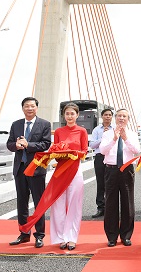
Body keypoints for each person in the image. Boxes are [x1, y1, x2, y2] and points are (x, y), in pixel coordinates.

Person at [7, 97, 51, 248]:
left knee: (39, 203)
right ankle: (24, 233)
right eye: (26, 106)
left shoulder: (44, 124)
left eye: (32, 106)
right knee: (22, 202)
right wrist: (17, 146)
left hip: (36, 169)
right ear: (22, 108)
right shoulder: (16, 124)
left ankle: (39, 235)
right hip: (20, 169)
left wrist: (29, 145)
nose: (29, 108)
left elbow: (46, 144)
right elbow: (9, 144)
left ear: (37, 108)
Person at [100, 109, 140, 247]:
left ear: (128, 119)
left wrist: (125, 139)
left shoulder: (132, 134)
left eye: (124, 116)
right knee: (110, 203)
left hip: (127, 170)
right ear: (115, 118)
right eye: (119, 116)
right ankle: (111, 236)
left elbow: (136, 150)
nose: (121, 118)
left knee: (127, 203)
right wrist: (114, 139)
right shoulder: (107, 134)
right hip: (111, 170)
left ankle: (126, 235)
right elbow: (102, 151)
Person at [50, 103, 88, 250]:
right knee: (58, 204)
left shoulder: (82, 131)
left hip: (75, 169)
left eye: (73, 113)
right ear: (64, 116)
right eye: (67, 114)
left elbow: (84, 151)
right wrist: (59, 153)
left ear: (77, 115)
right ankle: (61, 237)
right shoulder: (59, 131)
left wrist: (74, 153)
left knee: (74, 204)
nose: (70, 116)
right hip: (60, 170)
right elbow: (55, 151)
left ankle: (71, 238)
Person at [89, 107, 114, 218]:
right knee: (101, 183)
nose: (107, 117)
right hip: (100, 157)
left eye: (109, 115)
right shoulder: (96, 130)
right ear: (102, 116)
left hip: (111, 157)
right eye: (105, 115)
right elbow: (92, 145)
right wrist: (103, 136)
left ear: (112, 117)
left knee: (112, 183)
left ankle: (111, 208)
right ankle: (101, 207)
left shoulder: (115, 129)